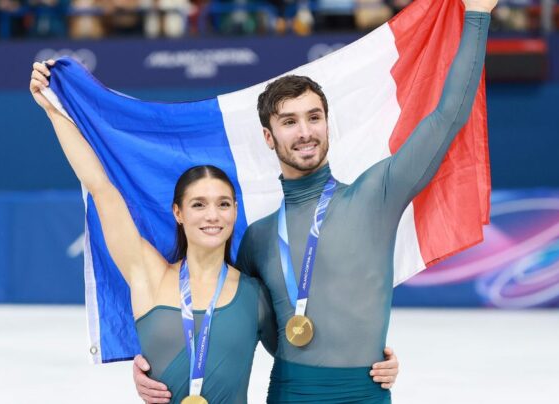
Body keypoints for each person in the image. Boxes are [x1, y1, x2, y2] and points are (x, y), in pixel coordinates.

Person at [134, 0, 496, 402]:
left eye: (313, 117)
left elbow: (448, 116)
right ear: (269, 138)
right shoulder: (258, 238)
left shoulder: (377, 195)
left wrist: (477, 14)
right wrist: (155, 362)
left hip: (365, 392)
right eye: (289, 122)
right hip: (289, 393)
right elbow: (220, 318)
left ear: (327, 123)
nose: (304, 131)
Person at [29, 60, 398, 402]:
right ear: (178, 213)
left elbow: (301, 350)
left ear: (235, 211)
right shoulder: (148, 275)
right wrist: (53, 110)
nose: (212, 216)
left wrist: (371, 359)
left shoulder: (254, 296)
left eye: (223, 203)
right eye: (198, 204)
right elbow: (101, 189)